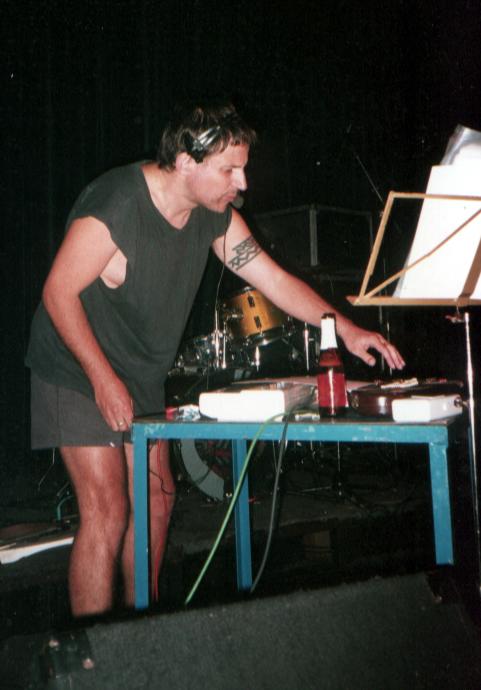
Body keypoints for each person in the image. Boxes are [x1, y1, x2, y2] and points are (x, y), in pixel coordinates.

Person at [26, 100, 405, 618]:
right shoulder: (117, 202)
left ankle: (140, 632)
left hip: (138, 373)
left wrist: (345, 328)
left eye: (243, 168)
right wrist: (101, 378)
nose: (242, 183)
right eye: (230, 170)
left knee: (157, 504)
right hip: (75, 364)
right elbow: (57, 292)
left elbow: (273, 280)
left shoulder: (214, 216)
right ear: (186, 162)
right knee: (107, 510)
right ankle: (90, 646)